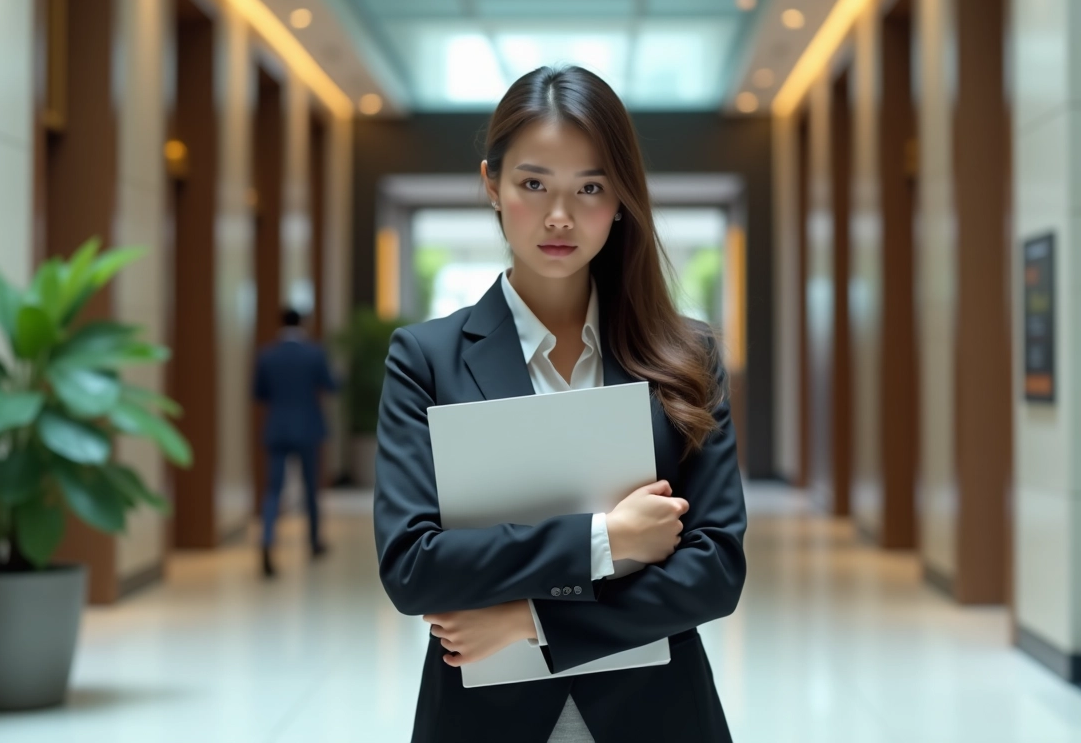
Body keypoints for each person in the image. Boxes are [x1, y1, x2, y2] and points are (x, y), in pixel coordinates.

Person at [373, 66, 747, 743]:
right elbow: (415, 566)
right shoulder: (425, 358)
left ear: (622, 198)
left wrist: (530, 620)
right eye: (533, 183)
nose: (559, 217)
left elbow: (715, 572)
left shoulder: (688, 356)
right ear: (492, 184)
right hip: (483, 717)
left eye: (591, 188)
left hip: (657, 712)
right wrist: (607, 539)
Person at [253, 307, 338, 578]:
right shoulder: (314, 353)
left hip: (277, 428)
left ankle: (267, 538)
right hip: (308, 428)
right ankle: (313, 542)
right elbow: (331, 385)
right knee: (311, 488)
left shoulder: (267, 355)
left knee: (273, 489)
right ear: (302, 323)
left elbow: (258, 393)